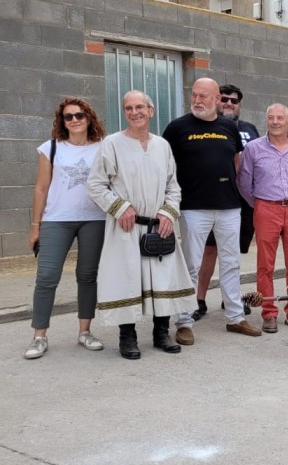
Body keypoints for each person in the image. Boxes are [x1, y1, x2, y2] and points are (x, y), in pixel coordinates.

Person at [86, 91, 195, 359]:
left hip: (159, 226)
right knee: (128, 278)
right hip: (126, 226)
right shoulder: (111, 144)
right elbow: (95, 184)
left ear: (151, 110)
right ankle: (128, 337)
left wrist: (169, 213)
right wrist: (120, 207)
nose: (134, 112)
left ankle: (161, 333)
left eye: (140, 107)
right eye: (129, 108)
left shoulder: (162, 146)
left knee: (163, 278)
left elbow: (173, 185)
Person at [163, 78, 260, 342]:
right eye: (194, 95)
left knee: (231, 263)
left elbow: (236, 163)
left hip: (229, 207)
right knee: (191, 266)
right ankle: (184, 321)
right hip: (193, 208)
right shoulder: (177, 127)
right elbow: (166, 167)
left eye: (203, 96)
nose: (197, 100)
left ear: (217, 99)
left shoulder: (229, 127)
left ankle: (235, 318)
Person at [23, 98, 107, 360]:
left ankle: (85, 331)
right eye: (68, 117)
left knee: (87, 275)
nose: (74, 120)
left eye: (79, 115)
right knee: (47, 276)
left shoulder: (103, 148)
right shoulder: (51, 148)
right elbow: (41, 188)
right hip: (56, 219)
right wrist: (35, 226)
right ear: (62, 121)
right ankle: (39, 336)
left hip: (94, 219)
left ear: (89, 118)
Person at [236, 103, 288, 333]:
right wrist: (259, 204)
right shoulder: (254, 148)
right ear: (266, 120)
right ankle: (268, 312)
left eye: (280, 118)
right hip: (266, 208)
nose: (276, 122)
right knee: (264, 265)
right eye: (271, 118)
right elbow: (244, 183)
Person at [192, 84, 259, 321]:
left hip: (242, 202)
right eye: (225, 99)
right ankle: (198, 299)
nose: (229, 104)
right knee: (208, 251)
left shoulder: (250, 129)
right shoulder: (204, 127)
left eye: (235, 101)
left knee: (232, 254)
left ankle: (230, 297)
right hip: (212, 199)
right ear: (217, 101)